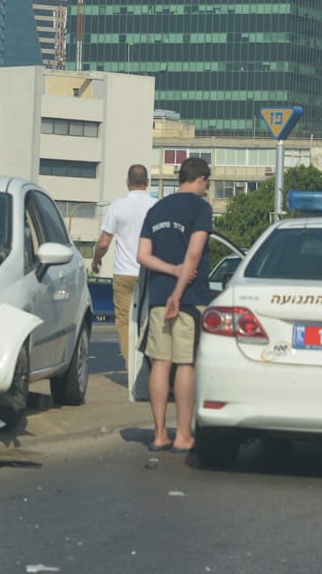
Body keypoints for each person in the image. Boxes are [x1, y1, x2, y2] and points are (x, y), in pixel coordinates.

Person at [136, 156, 213, 454]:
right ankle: (182, 435)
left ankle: (158, 435)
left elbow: (142, 256)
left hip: (158, 294)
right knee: (185, 363)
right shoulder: (201, 209)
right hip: (189, 298)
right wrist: (179, 288)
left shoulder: (157, 209)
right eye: (207, 183)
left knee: (160, 362)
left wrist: (168, 272)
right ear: (201, 179)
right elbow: (193, 255)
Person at [91, 164, 155, 366]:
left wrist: (96, 261)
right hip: (149, 273)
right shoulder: (157, 206)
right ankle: (149, 364)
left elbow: (103, 243)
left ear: (127, 182)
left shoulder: (117, 206)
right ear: (148, 183)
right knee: (148, 319)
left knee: (125, 322)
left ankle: (131, 365)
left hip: (123, 274)